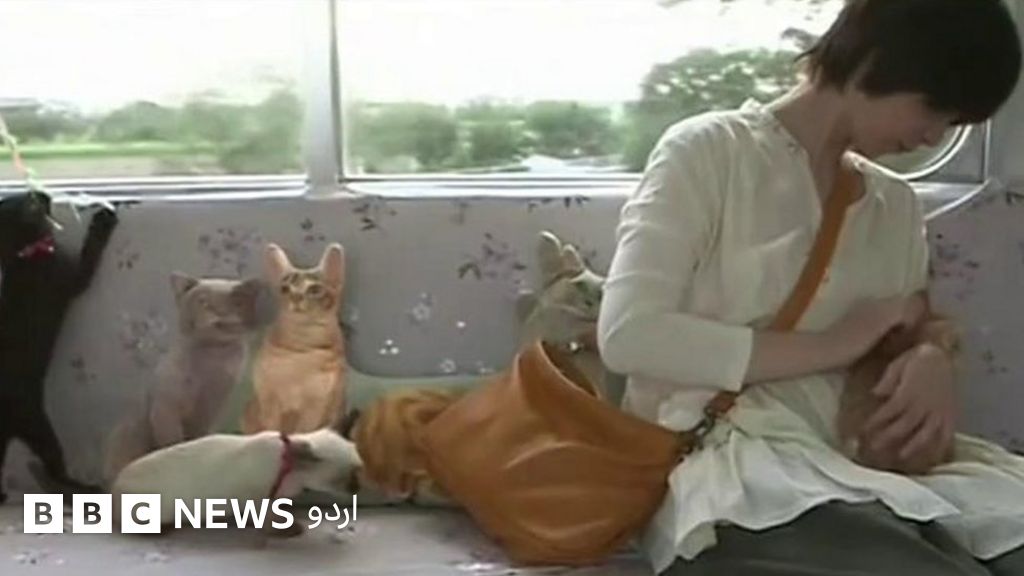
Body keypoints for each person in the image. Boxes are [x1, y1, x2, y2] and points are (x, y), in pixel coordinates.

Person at [596, 0, 1024, 574]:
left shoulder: (895, 204)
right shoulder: (707, 152)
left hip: (860, 459)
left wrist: (932, 358)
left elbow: (906, 323)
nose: (932, 136)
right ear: (875, 61)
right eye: (933, 107)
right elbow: (631, 335)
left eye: (952, 124)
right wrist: (839, 343)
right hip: (736, 466)